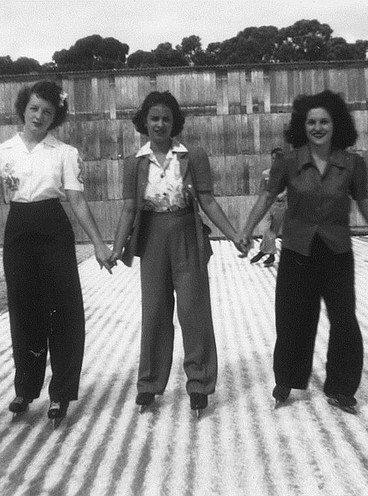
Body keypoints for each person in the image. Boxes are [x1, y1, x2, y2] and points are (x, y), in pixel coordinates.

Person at [0, 81, 113, 425]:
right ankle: (25, 389)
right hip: (19, 231)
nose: (39, 116)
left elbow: (76, 200)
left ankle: (60, 393)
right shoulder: (2, 152)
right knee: (24, 310)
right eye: (34, 109)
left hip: (53, 228)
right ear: (22, 110)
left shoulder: (64, 153)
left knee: (64, 312)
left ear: (55, 116)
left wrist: (100, 244)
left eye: (47, 111)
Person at [240, 89, 368, 414]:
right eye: (312, 122)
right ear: (302, 125)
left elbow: (364, 201)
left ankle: (340, 388)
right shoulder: (288, 162)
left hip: (337, 253)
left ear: (336, 124)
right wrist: (245, 229)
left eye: (324, 121)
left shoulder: (352, 164)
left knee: (343, 320)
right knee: (293, 318)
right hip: (298, 252)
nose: (318, 127)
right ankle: (287, 379)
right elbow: (267, 198)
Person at [109, 91, 246, 415]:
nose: (159, 124)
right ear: (144, 122)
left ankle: (199, 384)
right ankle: (150, 384)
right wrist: (116, 247)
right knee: (154, 312)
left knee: (193, 312)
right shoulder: (135, 163)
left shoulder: (193, 156)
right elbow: (129, 209)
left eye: (166, 119)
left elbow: (208, 201)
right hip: (152, 239)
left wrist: (235, 235)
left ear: (175, 123)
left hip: (187, 236)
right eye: (154, 118)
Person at [249, 148, 287, 267]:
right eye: (273, 158)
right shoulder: (266, 173)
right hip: (267, 205)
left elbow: (288, 189)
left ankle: (266, 253)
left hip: (279, 205)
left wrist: (282, 195)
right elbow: (262, 189)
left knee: (272, 232)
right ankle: (269, 253)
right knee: (266, 229)